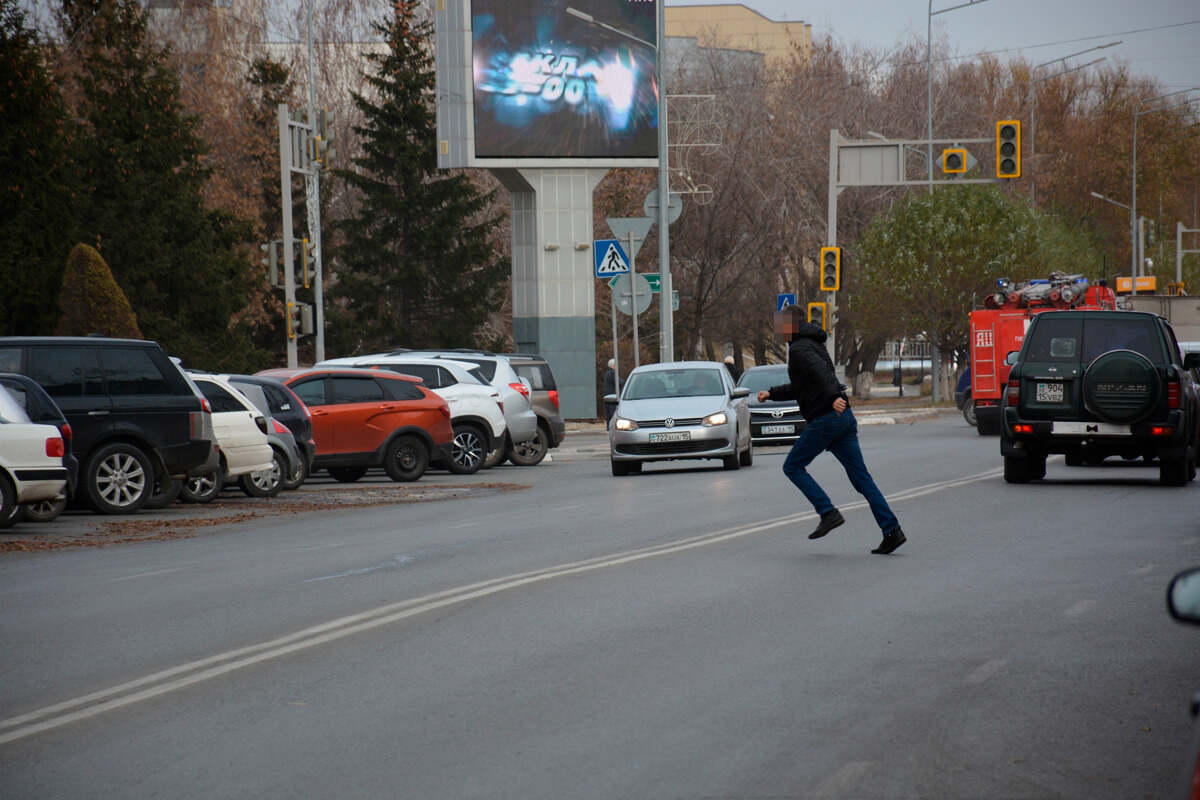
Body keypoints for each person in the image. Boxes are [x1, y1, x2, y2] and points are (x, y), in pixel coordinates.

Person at [757, 305, 906, 554]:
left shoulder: (799, 348)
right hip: (842, 418)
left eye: (781, 325)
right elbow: (804, 385)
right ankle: (892, 531)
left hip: (827, 418)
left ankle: (828, 512)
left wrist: (834, 396)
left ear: (791, 325)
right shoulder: (811, 343)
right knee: (861, 479)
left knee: (792, 466)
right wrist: (771, 393)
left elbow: (821, 373)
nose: (778, 331)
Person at [602, 359, 619, 423]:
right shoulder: (612, 373)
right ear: (613, 365)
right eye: (616, 365)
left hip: (607, 396)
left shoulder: (607, 373)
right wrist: (625, 381)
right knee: (612, 413)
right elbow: (618, 381)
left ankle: (608, 427)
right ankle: (610, 427)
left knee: (608, 413)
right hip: (612, 396)